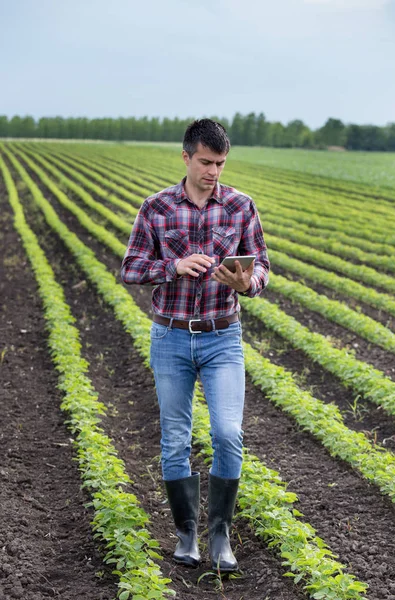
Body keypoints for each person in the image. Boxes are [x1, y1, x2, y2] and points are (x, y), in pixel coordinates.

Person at [121, 118, 269, 572]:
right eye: (206, 162)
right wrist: (174, 265)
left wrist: (247, 282)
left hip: (223, 336)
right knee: (175, 439)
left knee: (228, 433)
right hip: (170, 336)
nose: (214, 171)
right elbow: (130, 268)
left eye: (221, 163)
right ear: (186, 157)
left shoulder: (241, 207)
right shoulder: (157, 208)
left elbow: (261, 266)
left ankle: (219, 535)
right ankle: (186, 534)